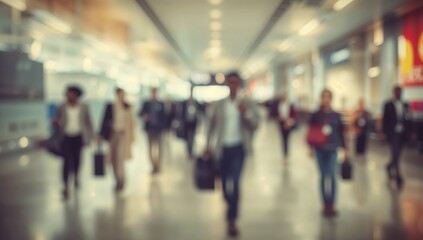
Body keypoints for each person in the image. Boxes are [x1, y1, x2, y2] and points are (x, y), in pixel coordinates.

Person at [204, 72, 259, 237]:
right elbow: (211, 125)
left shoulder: (247, 103)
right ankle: (230, 203)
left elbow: (255, 124)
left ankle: (232, 219)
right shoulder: (220, 104)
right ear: (227, 84)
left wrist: (246, 113)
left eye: (236, 82)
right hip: (222, 149)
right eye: (230, 82)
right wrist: (207, 145)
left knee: (234, 182)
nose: (233, 85)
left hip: (239, 149)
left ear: (239, 84)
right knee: (223, 183)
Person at [308, 89, 347, 217]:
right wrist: (310, 148)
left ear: (331, 99)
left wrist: (345, 149)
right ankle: (325, 204)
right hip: (320, 149)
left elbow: (342, 132)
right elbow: (311, 131)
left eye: (328, 97)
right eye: (324, 97)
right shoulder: (316, 115)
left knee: (332, 176)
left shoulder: (336, 115)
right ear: (321, 98)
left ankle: (332, 204)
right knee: (323, 176)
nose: (326, 99)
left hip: (333, 148)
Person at [54, 85, 94, 199]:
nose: (67, 95)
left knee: (77, 160)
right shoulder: (62, 106)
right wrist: (56, 123)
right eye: (66, 93)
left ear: (76, 94)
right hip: (66, 137)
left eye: (69, 93)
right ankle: (66, 185)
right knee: (66, 161)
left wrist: (93, 136)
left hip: (79, 137)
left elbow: (88, 122)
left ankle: (76, 176)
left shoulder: (83, 107)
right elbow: (57, 119)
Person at [99, 88, 135, 191]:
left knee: (120, 159)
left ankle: (121, 180)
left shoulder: (127, 107)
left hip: (123, 136)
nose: (121, 96)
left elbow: (132, 124)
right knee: (113, 159)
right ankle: (116, 179)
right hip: (113, 135)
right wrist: (101, 135)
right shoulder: (110, 106)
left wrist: (132, 137)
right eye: (120, 94)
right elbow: (104, 120)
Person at [382, 85, 411, 188]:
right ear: (394, 93)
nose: (399, 94)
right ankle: (398, 177)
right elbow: (385, 120)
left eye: (400, 92)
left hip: (402, 133)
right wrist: (384, 133)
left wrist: (410, 132)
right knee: (395, 153)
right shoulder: (388, 105)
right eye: (397, 92)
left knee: (397, 155)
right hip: (392, 133)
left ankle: (389, 166)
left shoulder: (405, 105)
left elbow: (408, 119)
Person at [139, 88, 167, 174]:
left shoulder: (160, 103)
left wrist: (164, 127)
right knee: (150, 147)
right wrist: (145, 115)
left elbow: (164, 116)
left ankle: (158, 165)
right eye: (153, 92)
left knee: (159, 147)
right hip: (150, 129)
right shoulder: (146, 103)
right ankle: (153, 165)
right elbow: (140, 113)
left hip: (158, 129)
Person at [269, 94, 297, 159]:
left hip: (288, 123)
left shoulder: (290, 105)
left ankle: (286, 153)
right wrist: (279, 118)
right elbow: (275, 114)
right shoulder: (278, 105)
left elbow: (294, 115)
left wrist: (289, 121)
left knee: (287, 139)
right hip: (281, 123)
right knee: (283, 139)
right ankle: (284, 154)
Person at [181, 87, 203, 159]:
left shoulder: (196, 102)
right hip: (187, 122)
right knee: (188, 137)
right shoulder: (185, 102)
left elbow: (201, 109)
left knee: (192, 137)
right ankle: (189, 151)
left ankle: (191, 150)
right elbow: (182, 113)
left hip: (193, 122)